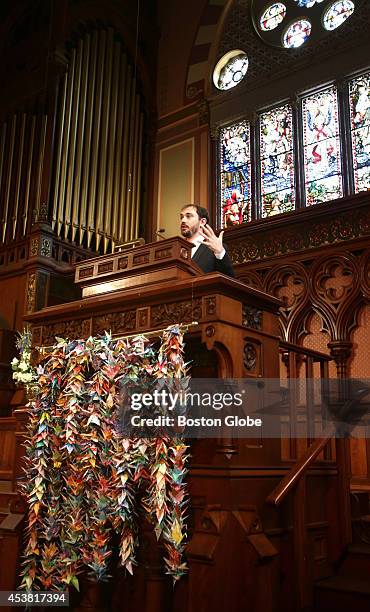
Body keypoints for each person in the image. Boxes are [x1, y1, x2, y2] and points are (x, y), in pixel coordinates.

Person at [180, 204, 235, 277]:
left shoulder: (214, 249)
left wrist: (220, 253)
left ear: (202, 222)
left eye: (188, 216)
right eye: (181, 217)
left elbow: (229, 278)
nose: (183, 220)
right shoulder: (177, 249)